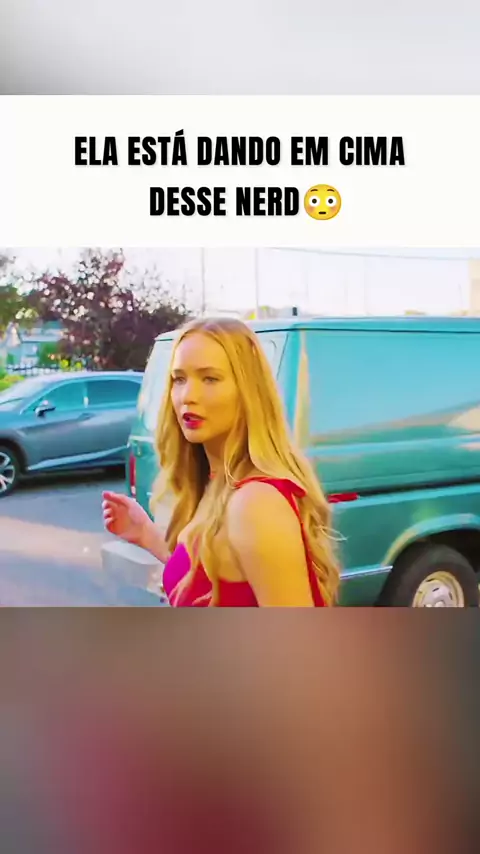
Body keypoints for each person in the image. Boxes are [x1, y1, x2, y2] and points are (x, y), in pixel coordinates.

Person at [102, 317, 340, 606]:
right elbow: (211, 578)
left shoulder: (255, 503)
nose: (188, 396)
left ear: (248, 391)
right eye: (179, 379)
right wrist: (146, 534)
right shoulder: (218, 483)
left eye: (210, 379)